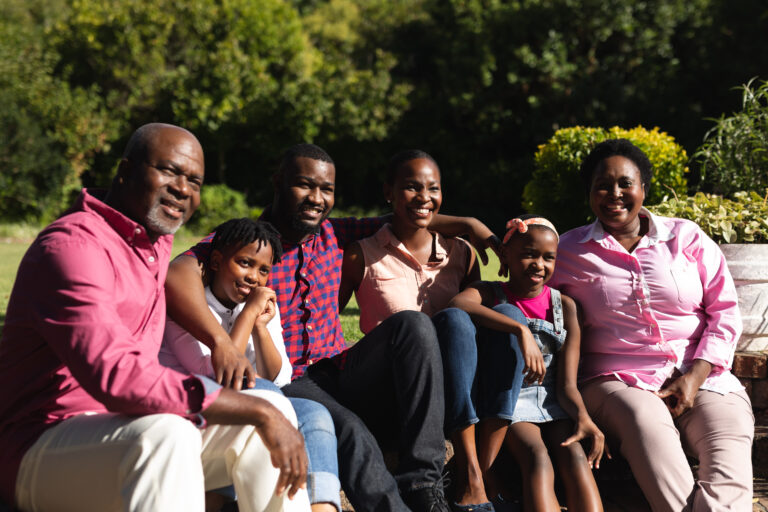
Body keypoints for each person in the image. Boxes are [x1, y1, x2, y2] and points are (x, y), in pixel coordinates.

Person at [165, 143, 501, 512]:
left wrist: (473, 227)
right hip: (288, 379)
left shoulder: (335, 233)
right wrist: (220, 342)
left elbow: (412, 213)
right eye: (305, 186)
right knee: (350, 430)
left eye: (326, 190)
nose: (317, 198)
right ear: (278, 183)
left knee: (414, 326)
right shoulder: (251, 245)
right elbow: (178, 270)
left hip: (339, 370)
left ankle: (423, 481)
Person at [0, 123, 310, 512]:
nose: (183, 188)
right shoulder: (73, 247)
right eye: (169, 171)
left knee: (273, 408)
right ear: (125, 171)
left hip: (127, 431)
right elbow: (116, 376)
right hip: (40, 445)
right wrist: (251, 406)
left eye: (194, 180)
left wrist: (262, 407)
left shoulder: (155, 243)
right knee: (172, 431)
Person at [549, 138, 755, 511]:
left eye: (626, 183)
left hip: (705, 376)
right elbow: (526, 293)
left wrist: (696, 375)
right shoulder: (567, 252)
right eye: (602, 185)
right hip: (617, 382)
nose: (615, 194)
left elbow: (724, 312)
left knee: (729, 440)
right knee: (645, 423)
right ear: (589, 193)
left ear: (644, 188)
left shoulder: (686, 237)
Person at [161, 217, 341, 512]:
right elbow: (222, 377)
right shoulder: (190, 308)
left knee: (314, 413)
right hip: (194, 406)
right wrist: (248, 315)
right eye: (244, 263)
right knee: (261, 391)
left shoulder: (259, 305)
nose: (254, 277)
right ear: (217, 261)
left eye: (264, 270)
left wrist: (259, 327)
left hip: (254, 398)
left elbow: (279, 375)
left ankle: (323, 507)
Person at [442, 215, 605, 512]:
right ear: (505, 255)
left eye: (548, 258)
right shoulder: (491, 292)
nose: (538, 265)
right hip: (512, 404)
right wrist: (518, 329)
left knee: (575, 456)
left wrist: (583, 418)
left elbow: (567, 384)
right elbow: (458, 305)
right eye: (529, 254)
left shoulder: (564, 306)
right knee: (537, 456)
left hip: (553, 403)